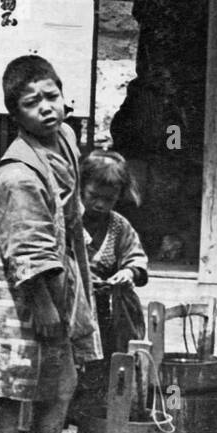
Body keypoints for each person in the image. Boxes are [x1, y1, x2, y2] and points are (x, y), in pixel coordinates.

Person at [0, 55, 101, 433]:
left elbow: (66, 212)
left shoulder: (65, 138)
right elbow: (25, 249)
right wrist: (44, 307)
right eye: (33, 103)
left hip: (61, 273)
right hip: (20, 285)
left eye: (52, 96)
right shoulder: (16, 175)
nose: (47, 108)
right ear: (16, 115)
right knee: (13, 381)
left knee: (61, 377)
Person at [81, 150, 149, 360]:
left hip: (106, 312)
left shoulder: (119, 225)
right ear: (81, 188)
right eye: (94, 196)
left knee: (109, 359)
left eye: (108, 199)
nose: (100, 204)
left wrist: (129, 272)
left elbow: (135, 256)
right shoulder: (68, 220)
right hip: (74, 307)